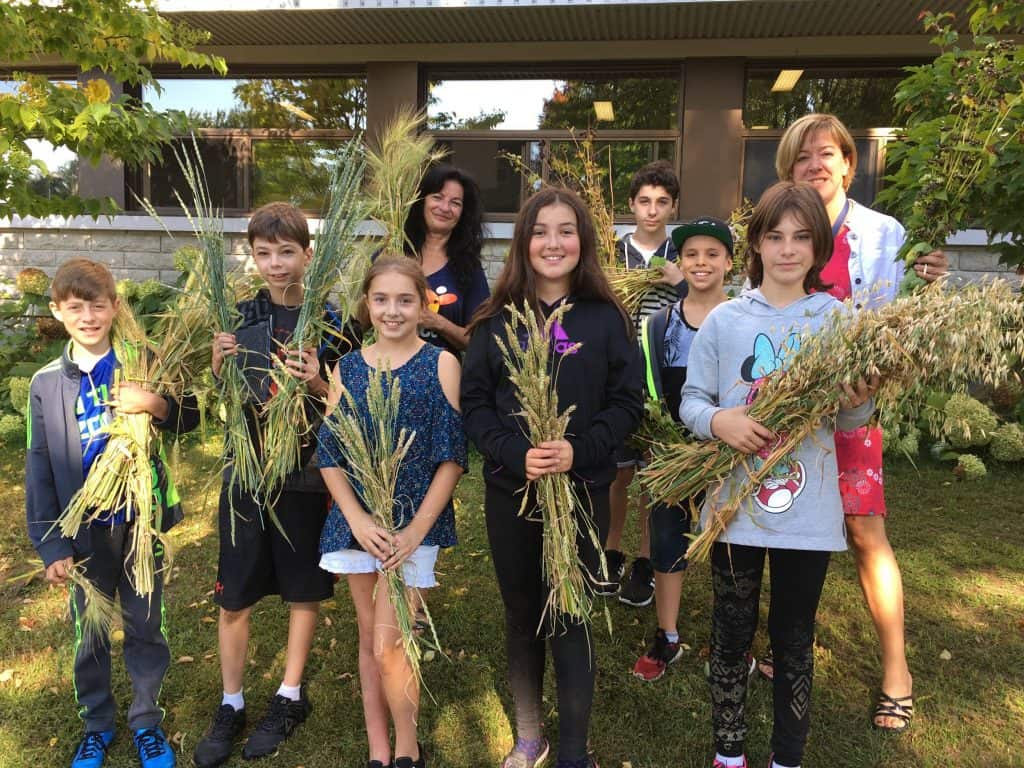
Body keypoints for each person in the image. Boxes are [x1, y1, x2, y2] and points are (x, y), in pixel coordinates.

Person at [762, 112, 949, 732]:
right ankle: (789, 641)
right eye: (801, 156)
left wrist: (928, 287)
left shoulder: (882, 233)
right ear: (788, 170)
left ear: (847, 163)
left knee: (866, 533)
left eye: (826, 154)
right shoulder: (778, 229)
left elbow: (903, 324)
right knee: (786, 529)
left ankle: (897, 671)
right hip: (787, 412)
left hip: (852, 409)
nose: (814, 165)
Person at [680, 181, 876, 768]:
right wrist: (720, 421)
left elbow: (852, 418)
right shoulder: (725, 320)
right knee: (731, 632)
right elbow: (691, 401)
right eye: (775, 236)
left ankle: (787, 755)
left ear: (819, 248)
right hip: (734, 510)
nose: (787, 249)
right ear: (757, 245)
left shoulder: (839, 322)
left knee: (793, 638)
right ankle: (729, 752)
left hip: (806, 514)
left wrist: (860, 399)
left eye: (801, 237)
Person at [462, 187, 643, 768]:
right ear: (524, 242)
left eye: (566, 231)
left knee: (570, 612)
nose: (553, 243)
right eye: (541, 231)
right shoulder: (494, 321)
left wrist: (578, 449)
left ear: (582, 241)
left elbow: (627, 403)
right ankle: (529, 735)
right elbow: (475, 404)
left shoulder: (607, 319)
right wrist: (514, 453)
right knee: (523, 614)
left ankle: (571, 751)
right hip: (511, 494)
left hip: (583, 492)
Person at [26, 257, 199, 768]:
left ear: (115, 307)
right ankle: (97, 723)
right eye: (75, 308)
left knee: (145, 624)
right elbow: (38, 467)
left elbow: (188, 415)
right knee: (92, 630)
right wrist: (51, 545)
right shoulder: (45, 383)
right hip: (83, 530)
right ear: (57, 311)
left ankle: (146, 721)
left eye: (97, 306)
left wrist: (154, 403)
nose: (88, 317)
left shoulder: (144, 362)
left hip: (140, 523)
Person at [194, 202, 349, 767]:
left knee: (302, 589)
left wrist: (317, 383)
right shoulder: (240, 316)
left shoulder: (330, 323)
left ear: (309, 254)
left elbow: (346, 404)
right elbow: (225, 398)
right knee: (235, 593)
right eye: (265, 253)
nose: (277, 263)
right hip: (246, 472)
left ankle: (289, 694)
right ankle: (231, 701)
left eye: (287, 252)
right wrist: (219, 368)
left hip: (304, 476)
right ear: (253, 256)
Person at [317, 255, 466, 768]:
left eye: (405, 300)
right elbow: (330, 455)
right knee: (369, 637)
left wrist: (415, 531)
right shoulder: (349, 367)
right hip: (359, 523)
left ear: (424, 305)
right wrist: (358, 519)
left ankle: (407, 748)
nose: (392, 310)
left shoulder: (441, 364)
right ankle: (378, 748)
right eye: (381, 299)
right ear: (367, 303)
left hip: (412, 526)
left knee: (390, 644)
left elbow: (452, 458)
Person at [631, 217, 731, 682]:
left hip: (731, 451)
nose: (701, 262)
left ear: (729, 263)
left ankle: (731, 637)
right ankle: (667, 633)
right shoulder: (659, 325)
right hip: (673, 451)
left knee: (732, 543)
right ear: (681, 262)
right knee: (668, 536)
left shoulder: (742, 317)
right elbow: (649, 388)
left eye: (712, 254)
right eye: (691, 254)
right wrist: (658, 444)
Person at [607, 160, 688, 607]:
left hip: (664, 373)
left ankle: (644, 558)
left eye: (661, 202)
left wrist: (681, 283)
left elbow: (707, 303)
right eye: (644, 202)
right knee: (618, 470)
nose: (652, 211)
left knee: (652, 472)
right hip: (619, 374)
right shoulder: (614, 253)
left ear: (673, 206)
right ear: (631, 205)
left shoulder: (682, 254)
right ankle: (611, 550)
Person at [403, 164, 491, 354]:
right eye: (437, 197)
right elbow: (363, 321)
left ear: (463, 213)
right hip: (386, 368)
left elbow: (480, 339)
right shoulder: (392, 252)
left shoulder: (469, 268)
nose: (444, 208)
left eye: (455, 203)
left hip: (444, 370)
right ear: (421, 201)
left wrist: (438, 323)